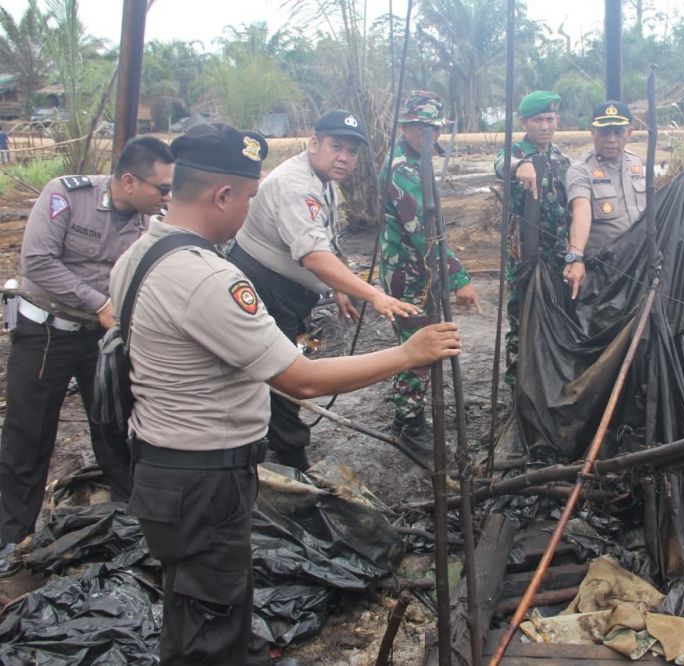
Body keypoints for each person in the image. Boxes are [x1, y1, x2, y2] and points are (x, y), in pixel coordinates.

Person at [111, 122, 460, 665]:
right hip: (203, 477)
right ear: (223, 195)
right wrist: (407, 355)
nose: (252, 210)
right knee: (210, 618)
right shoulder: (209, 279)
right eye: (250, 198)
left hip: (166, 468)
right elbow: (300, 379)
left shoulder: (141, 253)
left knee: (203, 599)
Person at [0, 135, 173, 576]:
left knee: (114, 424)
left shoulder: (150, 219)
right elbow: (37, 262)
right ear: (129, 181)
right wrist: (99, 304)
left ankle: (130, 523)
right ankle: (11, 537)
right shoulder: (66, 194)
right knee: (29, 435)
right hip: (47, 334)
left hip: (101, 339)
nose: (166, 197)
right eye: (161, 189)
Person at [228, 110, 418, 471]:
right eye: (336, 147)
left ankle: (272, 446)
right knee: (282, 373)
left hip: (288, 291)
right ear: (314, 143)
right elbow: (315, 256)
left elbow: (326, 240)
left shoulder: (323, 181)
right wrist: (372, 294)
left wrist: (339, 288)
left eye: (352, 151)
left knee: (281, 366)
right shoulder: (296, 185)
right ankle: (291, 460)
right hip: (263, 286)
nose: (344, 157)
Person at [380, 90, 481, 451]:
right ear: (406, 126)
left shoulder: (417, 161)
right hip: (407, 276)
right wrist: (459, 278)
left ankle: (415, 409)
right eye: (421, 127)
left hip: (420, 273)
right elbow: (423, 231)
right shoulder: (400, 169)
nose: (429, 135)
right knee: (416, 349)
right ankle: (408, 423)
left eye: (433, 129)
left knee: (425, 342)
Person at [494, 90, 571, 385]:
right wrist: (520, 166)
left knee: (556, 313)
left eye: (550, 119)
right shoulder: (514, 152)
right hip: (524, 257)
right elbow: (501, 164)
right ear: (524, 121)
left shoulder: (561, 159)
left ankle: (550, 378)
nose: (545, 126)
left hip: (557, 254)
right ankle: (518, 384)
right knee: (522, 316)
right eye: (538, 119)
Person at [563, 101, 647, 300]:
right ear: (592, 132)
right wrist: (576, 257)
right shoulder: (581, 170)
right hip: (605, 268)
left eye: (618, 132)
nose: (611, 140)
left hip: (640, 262)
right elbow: (581, 213)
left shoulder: (635, 163)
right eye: (604, 133)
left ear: (630, 132)